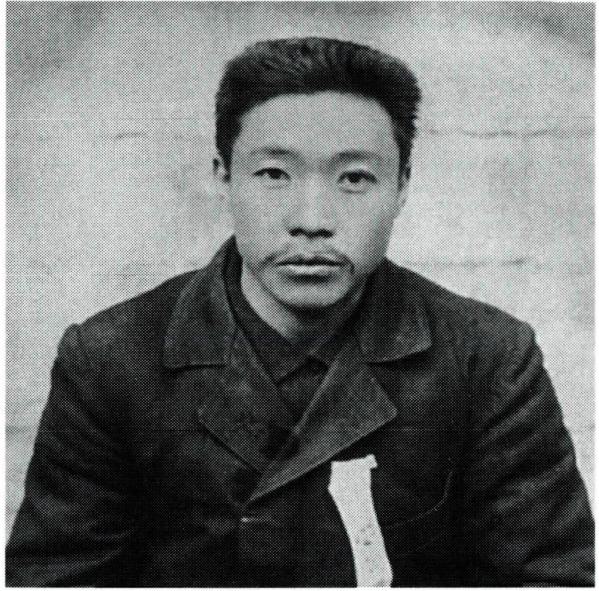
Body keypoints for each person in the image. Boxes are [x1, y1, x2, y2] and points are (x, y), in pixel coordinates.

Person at [6, 37, 593, 587]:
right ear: (223, 177)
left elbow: (553, 578)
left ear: (402, 186)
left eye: (354, 178)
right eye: (273, 174)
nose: (312, 220)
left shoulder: (487, 359)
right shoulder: (110, 359)